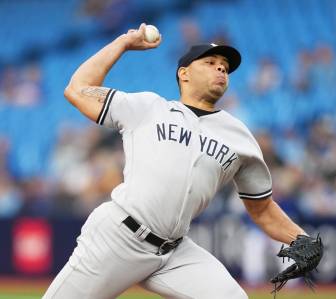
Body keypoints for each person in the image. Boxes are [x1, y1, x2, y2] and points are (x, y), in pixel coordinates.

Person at [43, 23, 307, 299]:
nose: (221, 69)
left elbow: (263, 209)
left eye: (225, 67)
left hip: (174, 252)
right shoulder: (148, 108)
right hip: (119, 237)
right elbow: (77, 89)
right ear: (184, 73)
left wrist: (300, 239)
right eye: (211, 62)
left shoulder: (240, 137)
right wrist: (123, 43)